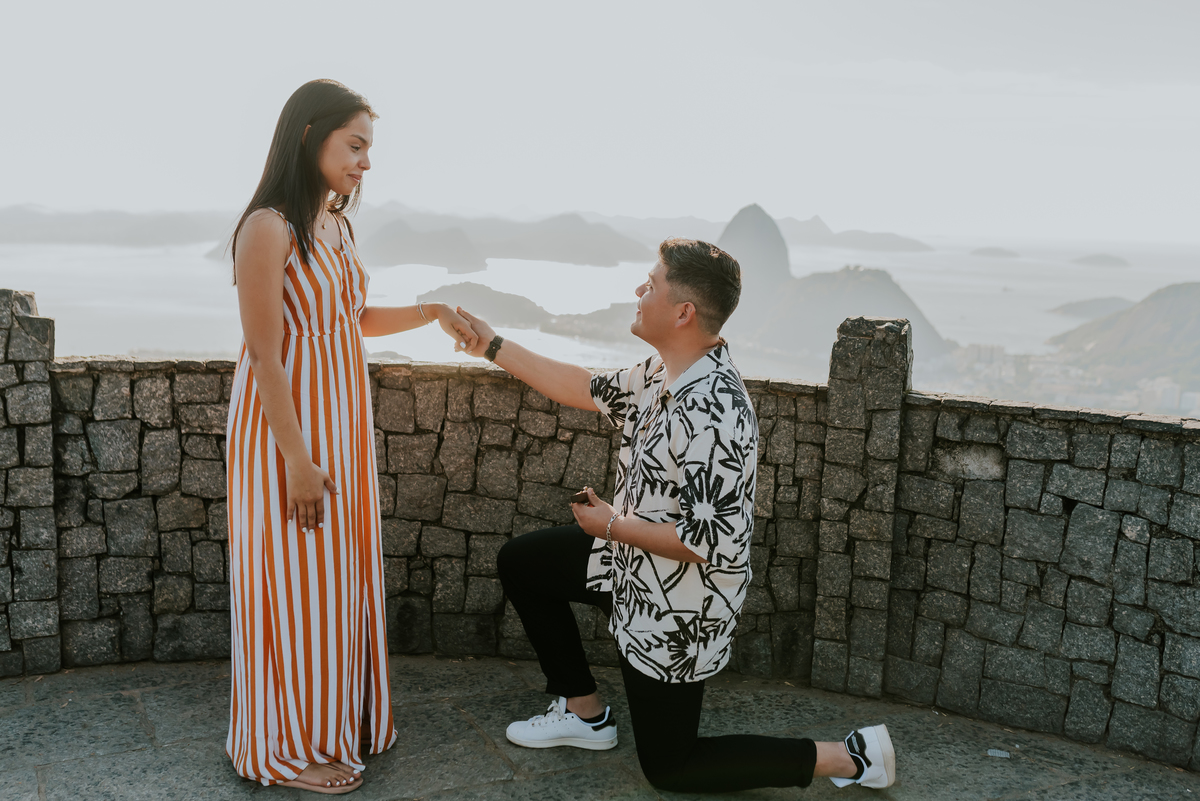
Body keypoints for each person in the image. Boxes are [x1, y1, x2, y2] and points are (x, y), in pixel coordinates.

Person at [456, 238, 896, 792]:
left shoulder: (716, 409)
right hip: (631, 567)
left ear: (684, 312)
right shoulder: (660, 373)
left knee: (671, 767)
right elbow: (582, 387)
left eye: (651, 284)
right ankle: (586, 712)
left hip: (679, 611)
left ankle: (852, 757)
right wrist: (492, 345)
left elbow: (707, 543)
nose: (640, 291)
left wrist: (611, 525)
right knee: (524, 563)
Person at [225, 79, 478, 794]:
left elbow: (351, 317)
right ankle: (288, 748)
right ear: (311, 137)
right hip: (286, 429)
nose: (367, 162)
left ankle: (342, 719)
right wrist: (297, 460)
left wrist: (433, 309)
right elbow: (267, 353)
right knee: (293, 581)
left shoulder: (334, 221)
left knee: (334, 579)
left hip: (340, 421)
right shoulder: (268, 227)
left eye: (370, 148)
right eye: (356, 145)